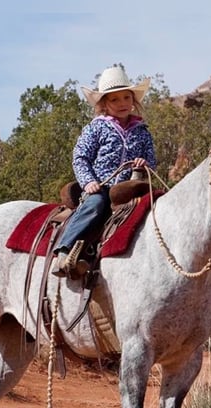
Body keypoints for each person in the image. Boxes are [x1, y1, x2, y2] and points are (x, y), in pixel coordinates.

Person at [52, 65, 157, 277]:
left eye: (126, 98)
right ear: (104, 104)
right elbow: (80, 156)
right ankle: (63, 250)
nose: (122, 104)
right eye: (114, 100)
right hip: (101, 186)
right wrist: (88, 181)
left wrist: (144, 164)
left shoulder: (142, 132)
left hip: (131, 189)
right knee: (96, 205)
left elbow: (152, 161)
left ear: (133, 100)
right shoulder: (96, 128)